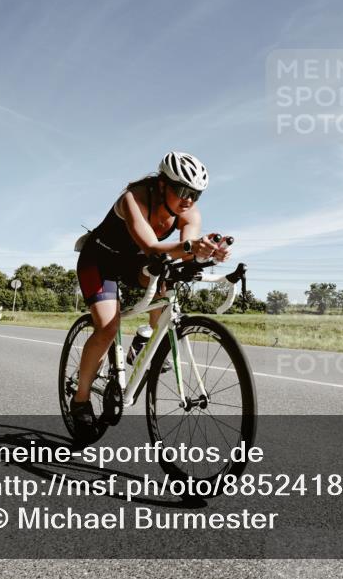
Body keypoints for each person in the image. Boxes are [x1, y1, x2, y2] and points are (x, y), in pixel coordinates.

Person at [71, 152, 231, 432]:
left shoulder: (188, 212)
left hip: (135, 263)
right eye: (182, 190)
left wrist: (209, 254)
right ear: (161, 184)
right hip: (100, 260)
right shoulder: (134, 198)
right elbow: (152, 248)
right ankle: (81, 399)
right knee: (108, 327)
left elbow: (185, 251)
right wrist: (193, 249)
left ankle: (145, 340)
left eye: (196, 193)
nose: (189, 199)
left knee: (165, 282)